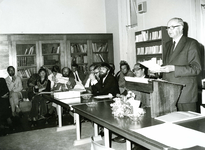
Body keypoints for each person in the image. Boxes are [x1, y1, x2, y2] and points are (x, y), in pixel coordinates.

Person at [160, 17, 201, 112]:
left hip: (185, 93)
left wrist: (174, 68)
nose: (169, 30)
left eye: (172, 27)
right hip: (169, 92)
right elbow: (168, 64)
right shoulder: (167, 45)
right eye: (168, 27)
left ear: (181, 28)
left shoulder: (191, 43)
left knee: (188, 124)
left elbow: (196, 68)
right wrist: (158, 69)